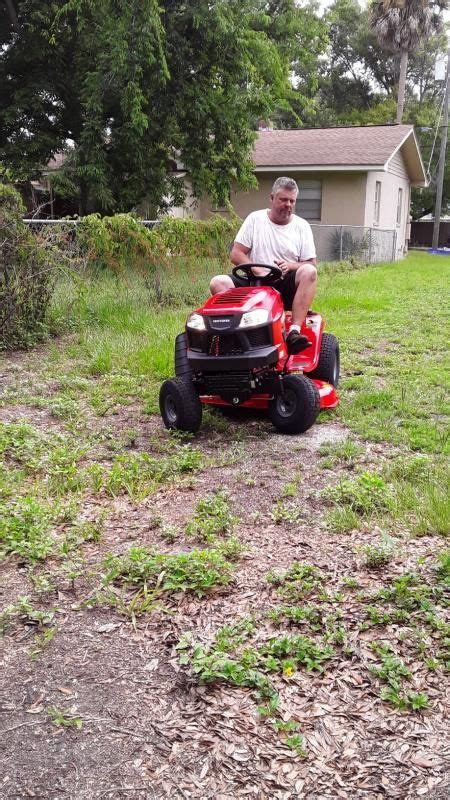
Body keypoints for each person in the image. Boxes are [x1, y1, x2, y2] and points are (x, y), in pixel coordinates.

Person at [210, 177, 317, 354]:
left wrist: (290, 265)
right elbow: (236, 254)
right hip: (255, 284)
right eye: (283, 199)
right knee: (218, 282)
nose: (288, 204)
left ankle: (294, 332)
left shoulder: (301, 226)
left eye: (292, 201)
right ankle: (234, 333)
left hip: (285, 285)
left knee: (309, 271)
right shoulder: (255, 219)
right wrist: (254, 268)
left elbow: (311, 263)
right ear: (272, 198)